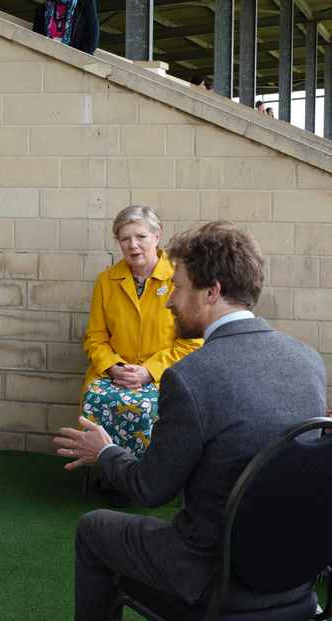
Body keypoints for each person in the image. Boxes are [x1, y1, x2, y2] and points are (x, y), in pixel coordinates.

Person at [54, 222, 327, 621]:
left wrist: (106, 452)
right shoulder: (308, 360)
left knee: (93, 529)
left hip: (213, 578)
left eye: (179, 287)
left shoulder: (191, 375)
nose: (170, 301)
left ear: (212, 292)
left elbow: (150, 489)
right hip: (293, 579)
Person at [80, 206, 201, 472]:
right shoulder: (106, 281)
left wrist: (149, 371)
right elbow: (95, 337)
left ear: (157, 236)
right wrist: (114, 367)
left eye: (141, 237)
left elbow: (192, 343)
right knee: (97, 398)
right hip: (114, 373)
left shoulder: (180, 280)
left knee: (146, 406)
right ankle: (104, 471)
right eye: (125, 238)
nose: (133, 245)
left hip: (164, 376)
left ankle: (147, 475)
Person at [32, 0, 99, 55]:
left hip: (70, 60)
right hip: (45, 56)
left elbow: (92, 38)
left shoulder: (85, 3)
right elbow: (36, 36)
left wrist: (77, 60)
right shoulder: (43, 9)